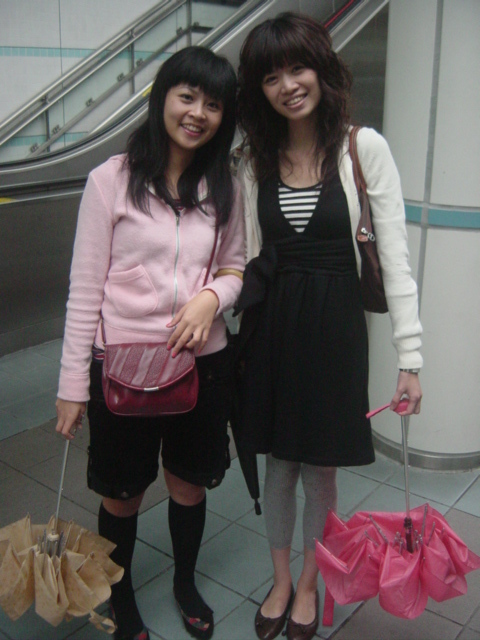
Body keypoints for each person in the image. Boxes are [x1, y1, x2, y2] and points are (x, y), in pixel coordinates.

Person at [235, 13, 422, 640]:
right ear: (259, 90)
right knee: (278, 464)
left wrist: (410, 356)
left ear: (321, 68)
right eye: (270, 75)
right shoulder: (253, 158)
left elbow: (394, 256)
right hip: (274, 328)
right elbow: (245, 256)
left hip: (335, 330)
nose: (287, 84)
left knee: (319, 467)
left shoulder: (360, 147)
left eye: (298, 67)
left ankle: (312, 583)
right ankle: (281, 578)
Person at [55, 46, 244, 640]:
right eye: (187, 96)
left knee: (188, 483)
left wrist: (212, 297)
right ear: (162, 95)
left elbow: (237, 267)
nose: (198, 112)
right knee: (123, 493)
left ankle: (185, 582)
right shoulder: (109, 180)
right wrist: (69, 388)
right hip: (120, 366)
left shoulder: (226, 184)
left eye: (213, 104)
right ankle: (121, 595)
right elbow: (84, 289)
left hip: (202, 363)